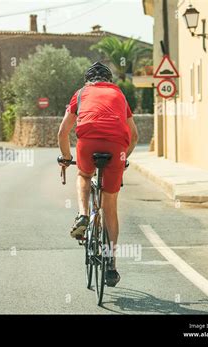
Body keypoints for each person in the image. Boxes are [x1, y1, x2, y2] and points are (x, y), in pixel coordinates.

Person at [57, 61, 138, 287]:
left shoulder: (81, 93)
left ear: (88, 80)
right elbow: (135, 136)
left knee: (83, 175)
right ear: (109, 80)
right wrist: (123, 158)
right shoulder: (120, 95)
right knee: (109, 205)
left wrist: (65, 157)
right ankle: (111, 265)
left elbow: (63, 132)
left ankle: (83, 215)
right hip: (116, 146)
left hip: (88, 142)